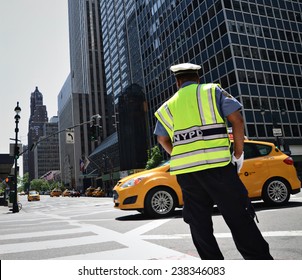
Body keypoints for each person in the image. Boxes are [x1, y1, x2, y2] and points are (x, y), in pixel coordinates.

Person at [154, 63, 273, 260]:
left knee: (199, 224)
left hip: (188, 174)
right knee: (238, 218)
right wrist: (238, 153)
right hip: (219, 168)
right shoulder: (212, 91)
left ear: (177, 83)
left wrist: (180, 154)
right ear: (198, 78)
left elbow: (162, 139)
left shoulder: (167, 107)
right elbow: (237, 120)